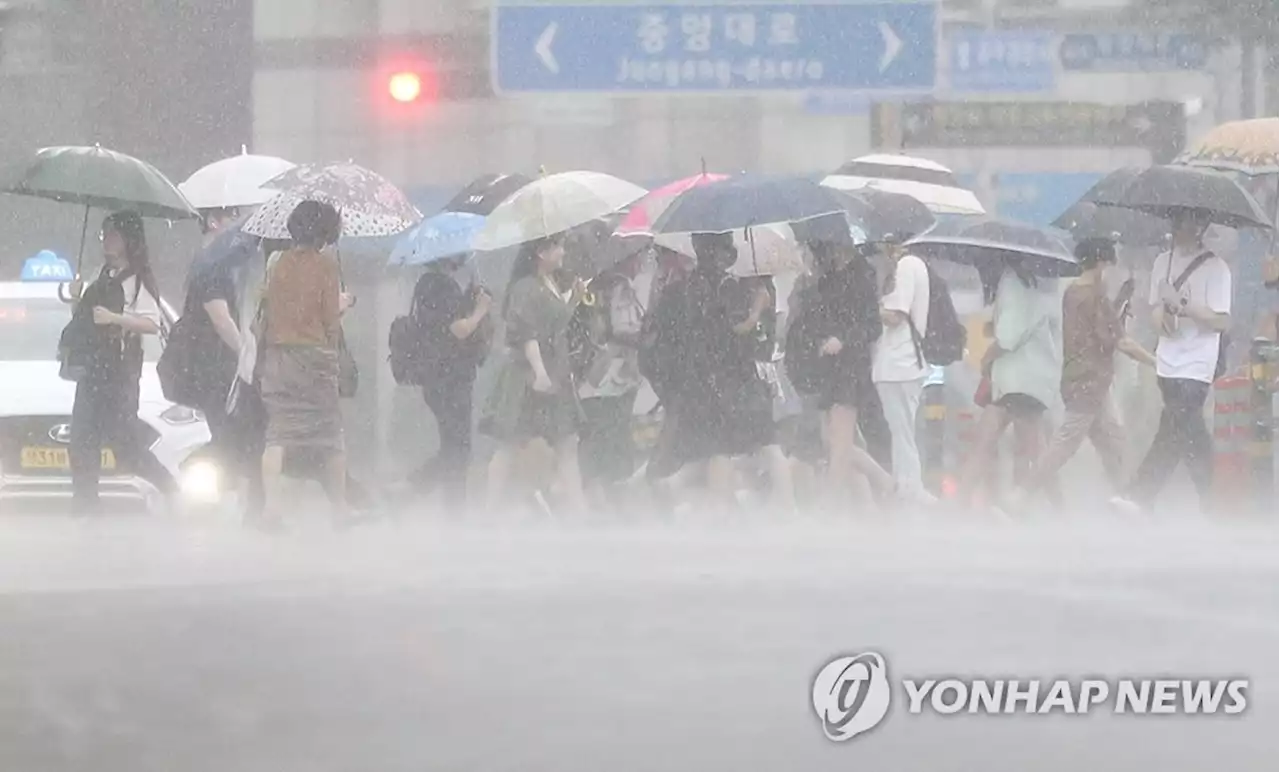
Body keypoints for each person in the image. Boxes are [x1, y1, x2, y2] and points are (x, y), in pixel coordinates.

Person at [1007, 239, 1155, 508]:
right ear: (1101, 263)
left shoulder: (1074, 292)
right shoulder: (1095, 297)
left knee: (1113, 439)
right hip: (1090, 380)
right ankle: (1020, 496)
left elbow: (1095, 331)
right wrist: (1157, 363)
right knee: (1065, 444)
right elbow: (1121, 342)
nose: (1112, 270)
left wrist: (1119, 302)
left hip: (1081, 377)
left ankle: (1129, 497)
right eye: (1111, 264)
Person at [1112, 211, 1231, 515]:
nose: (1181, 229)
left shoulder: (1217, 268)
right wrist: (1165, 316)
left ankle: (1143, 493)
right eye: (1177, 222)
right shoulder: (1161, 263)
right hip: (1168, 362)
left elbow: (1220, 321)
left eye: (1189, 223)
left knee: (1180, 424)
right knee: (1182, 429)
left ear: (1201, 227)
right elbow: (1156, 317)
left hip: (1198, 362)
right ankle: (1212, 497)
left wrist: (1186, 307)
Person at [62, 211, 175, 513]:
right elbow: (86, 321)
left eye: (113, 235)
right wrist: (77, 298)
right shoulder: (102, 275)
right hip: (92, 371)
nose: (107, 241)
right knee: (83, 439)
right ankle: (86, 506)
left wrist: (116, 319)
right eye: (104, 235)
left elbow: (152, 324)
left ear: (129, 240)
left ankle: (172, 490)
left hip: (120, 375)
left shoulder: (138, 281)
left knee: (124, 445)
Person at [257, 200, 353, 526]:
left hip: (278, 357)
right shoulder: (326, 266)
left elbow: (267, 308)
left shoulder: (276, 262)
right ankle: (339, 510)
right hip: (314, 359)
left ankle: (271, 509)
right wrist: (342, 306)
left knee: (278, 434)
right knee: (330, 436)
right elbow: (328, 320)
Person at [481, 235, 589, 515]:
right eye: (557, 247)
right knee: (510, 443)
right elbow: (525, 333)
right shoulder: (525, 288)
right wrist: (540, 372)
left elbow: (553, 324)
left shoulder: (548, 283)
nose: (563, 252)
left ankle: (579, 511)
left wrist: (574, 299)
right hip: (529, 378)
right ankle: (489, 511)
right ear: (541, 252)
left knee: (567, 442)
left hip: (554, 373)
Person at [786, 239, 896, 508]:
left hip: (851, 366)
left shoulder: (863, 274)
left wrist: (843, 339)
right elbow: (817, 316)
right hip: (829, 366)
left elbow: (872, 326)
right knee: (834, 440)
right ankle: (884, 486)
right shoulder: (827, 276)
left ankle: (829, 504)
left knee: (840, 441)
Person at [960, 260, 1063, 510]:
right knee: (991, 443)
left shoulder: (1013, 283)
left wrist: (986, 358)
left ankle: (1059, 508)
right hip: (1018, 382)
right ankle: (959, 504)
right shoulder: (1027, 284)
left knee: (1030, 449)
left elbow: (1008, 337)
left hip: (1020, 382)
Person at [406, 252, 492, 510]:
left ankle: (427, 497)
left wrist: (469, 297)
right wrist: (480, 310)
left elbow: (442, 323)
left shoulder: (428, 285)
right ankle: (438, 501)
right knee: (458, 448)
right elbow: (459, 329)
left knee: (454, 445)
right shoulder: (440, 286)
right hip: (450, 377)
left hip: (438, 376)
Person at [575, 250, 647, 504]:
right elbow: (624, 329)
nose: (642, 262)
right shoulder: (621, 286)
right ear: (626, 258)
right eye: (640, 257)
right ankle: (610, 491)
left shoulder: (591, 285)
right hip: (615, 374)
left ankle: (592, 489)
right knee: (614, 431)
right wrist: (649, 333)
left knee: (594, 432)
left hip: (590, 373)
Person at [872, 234, 933, 501]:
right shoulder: (913, 265)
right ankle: (907, 488)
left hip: (900, 363)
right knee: (902, 432)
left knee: (902, 433)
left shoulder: (907, 265)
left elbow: (895, 315)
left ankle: (911, 490)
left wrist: (869, 307)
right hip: (900, 364)